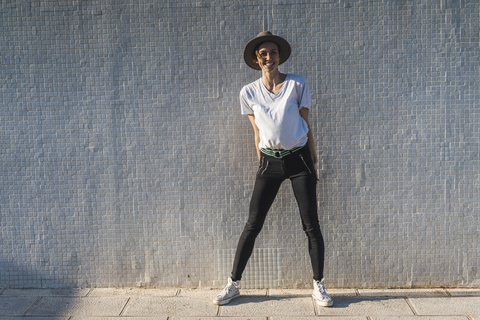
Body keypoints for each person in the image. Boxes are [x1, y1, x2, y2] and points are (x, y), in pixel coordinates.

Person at [213, 31, 333, 307]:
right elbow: (256, 132)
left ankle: (319, 286)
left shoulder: (297, 84)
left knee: (311, 225)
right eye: (263, 54)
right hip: (269, 161)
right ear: (257, 61)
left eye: (273, 53)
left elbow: (306, 124)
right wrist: (262, 163)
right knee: (252, 225)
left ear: (280, 57)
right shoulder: (248, 92)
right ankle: (233, 284)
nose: (269, 57)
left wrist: (313, 162)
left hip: (300, 159)